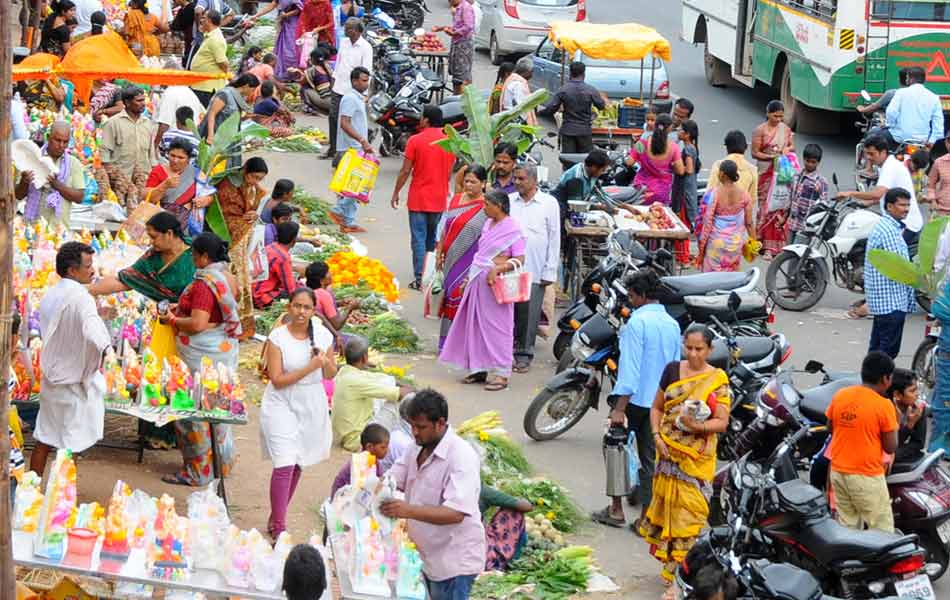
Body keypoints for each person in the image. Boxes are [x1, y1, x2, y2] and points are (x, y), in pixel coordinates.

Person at [639, 325, 731, 583]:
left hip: (695, 461)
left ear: (710, 350)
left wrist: (697, 426)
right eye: (688, 348)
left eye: (699, 349)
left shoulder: (717, 379)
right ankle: (673, 574)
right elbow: (656, 408)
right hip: (667, 456)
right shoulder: (671, 370)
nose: (692, 354)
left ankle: (680, 579)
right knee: (669, 514)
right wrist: (656, 436)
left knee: (689, 519)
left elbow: (722, 422)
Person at [591, 271, 680, 529]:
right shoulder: (672, 325)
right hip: (660, 402)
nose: (630, 301)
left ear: (641, 295)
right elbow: (674, 368)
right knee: (651, 458)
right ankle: (647, 518)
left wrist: (619, 408)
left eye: (631, 296)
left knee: (615, 449)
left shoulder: (636, 324)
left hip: (635, 401)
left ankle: (616, 509)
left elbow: (629, 370)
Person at [380, 390, 485, 600]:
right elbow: (393, 478)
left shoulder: (461, 458)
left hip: (453, 563)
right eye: (412, 425)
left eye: (421, 427)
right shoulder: (416, 447)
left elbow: (455, 513)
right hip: (426, 556)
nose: (415, 432)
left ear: (440, 423)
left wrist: (407, 510)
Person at [159, 232, 241, 486]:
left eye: (194, 255)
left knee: (192, 412)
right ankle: (220, 464)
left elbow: (198, 323)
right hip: (222, 353)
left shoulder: (205, 283)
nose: (192, 259)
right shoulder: (227, 276)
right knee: (216, 411)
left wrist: (173, 320)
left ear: (205, 257)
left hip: (201, 355)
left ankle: (198, 472)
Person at [261, 287, 337, 539]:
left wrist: (325, 364)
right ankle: (280, 528)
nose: (301, 312)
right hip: (280, 403)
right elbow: (278, 379)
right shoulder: (277, 338)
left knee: (297, 463)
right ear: (288, 307)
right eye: (297, 306)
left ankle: (276, 515)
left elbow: (331, 374)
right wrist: (310, 366)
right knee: (284, 462)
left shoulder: (324, 336)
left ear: (313, 310)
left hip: (310, 403)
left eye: (306, 307)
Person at [30, 242, 111, 476]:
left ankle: (31, 492)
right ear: (72, 271)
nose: (92, 270)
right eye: (87, 266)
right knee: (70, 446)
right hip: (73, 383)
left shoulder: (50, 294)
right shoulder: (81, 297)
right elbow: (91, 324)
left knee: (44, 437)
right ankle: (60, 500)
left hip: (52, 378)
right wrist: (107, 349)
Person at [439, 190, 525, 391]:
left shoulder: (513, 228)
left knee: (499, 328)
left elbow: (520, 258)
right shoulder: (487, 224)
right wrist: (468, 278)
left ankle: (502, 374)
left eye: (488, 204)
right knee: (474, 324)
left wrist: (499, 268)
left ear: (500, 206)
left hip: (497, 285)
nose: (484, 208)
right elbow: (481, 254)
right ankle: (479, 368)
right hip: (477, 280)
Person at [826, 351, 898, 532]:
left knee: (848, 528)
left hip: (838, 472)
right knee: (883, 530)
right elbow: (890, 447)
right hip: (866, 476)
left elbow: (830, 427)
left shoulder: (841, 395)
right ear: (885, 379)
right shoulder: (884, 405)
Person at [391, 106, 457, 289]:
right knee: (432, 239)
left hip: (419, 198)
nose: (419, 120)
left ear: (426, 120)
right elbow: (450, 172)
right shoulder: (450, 142)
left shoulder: (415, 140)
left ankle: (420, 278)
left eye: (421, 117)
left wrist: (396, 192)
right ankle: (430, 274)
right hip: (439, 198)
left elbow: (405, 170)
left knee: (418, 238)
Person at [509, 164, 560, 374]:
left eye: (521, 179)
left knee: (529, 314)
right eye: (516, 179)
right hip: (510, 267)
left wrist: (550, 271)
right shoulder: (510, 201)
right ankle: (506, 350)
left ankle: (524, 353)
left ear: (533, 181)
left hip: (536, 268)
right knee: (509, 311)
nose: (517, 182)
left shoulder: (549, 203)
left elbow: (554, 238)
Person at [435, 165, 488, 350]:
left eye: (473, 181)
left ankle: (460, 345)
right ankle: (445, 343)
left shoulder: (486, 207)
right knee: (449, 296)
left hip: (470, 262)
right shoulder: (456, 200)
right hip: (450, 259)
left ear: (483, 183)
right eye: (466, 181)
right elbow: (445, 227)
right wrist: (439, 251)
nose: (469, 185)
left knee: (462, 299)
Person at [89, 211, 195, 303]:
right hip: (166, 314)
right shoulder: (152, 257)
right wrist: (88, 291)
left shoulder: (196, 251)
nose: (150, 242)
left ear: (169, 233)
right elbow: (125, 279)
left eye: (154, 237)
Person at [215, 156, 269, 336]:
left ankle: (242, 322)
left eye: (259, 179)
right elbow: (225, 213)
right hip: (229, 234)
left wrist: (254, 214)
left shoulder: (252, 188)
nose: (255, 182)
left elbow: (258, 199)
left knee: (242, 278)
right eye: (253, 177)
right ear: (245, 171)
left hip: (243, 240)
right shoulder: (228, 185)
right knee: (232, 277)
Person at [333, 337, 412, 451]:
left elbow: (382, 378)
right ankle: (405, 438)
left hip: (345, 436)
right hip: (358, 441)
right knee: (398, 400)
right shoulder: (356, 380)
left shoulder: (344, 372)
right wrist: (415, 391)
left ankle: (398, 433)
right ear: (365, 357)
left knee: (386, 384)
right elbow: (400, 393)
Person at [865, 188, 915, 359]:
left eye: (908, 205)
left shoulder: (888, 227)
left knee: (877, 351)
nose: (906, 209)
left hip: (884, 303)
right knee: (886, 355)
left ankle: (868, 383)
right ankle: (876, 384)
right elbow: (902, 269)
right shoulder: (888, 231)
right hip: (891, 302)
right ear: (889, 206)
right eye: (902, 205)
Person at [839, 135, 923, 238]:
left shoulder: (890, 167)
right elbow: (886, 192)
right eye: (866, 154)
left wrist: (849, 193)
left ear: (883, 152)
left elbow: (877, 194)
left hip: (906, 224)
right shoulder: (884, 166)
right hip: (894, 220)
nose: (868, 158)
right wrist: (867, 203)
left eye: (871, 154)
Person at [14, 121, 87, 227]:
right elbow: (18, 195)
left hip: (59, 230)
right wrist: (24, 182)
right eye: (57, 140)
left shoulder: (73, 163)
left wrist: (57, 185)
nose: (61, 145)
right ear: (48, 137)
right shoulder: (31, 158)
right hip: (33, 227)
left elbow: (79, 197)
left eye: (65, 142)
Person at [328, 66, 372, 232]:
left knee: (355, 184)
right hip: (352, 148)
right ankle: (337, 210)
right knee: (355, 185)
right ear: (354, 81)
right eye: (363, 80)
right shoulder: (349, 99)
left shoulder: (358, 98)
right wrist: (362, 140)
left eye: (367, 80)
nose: (366, 84)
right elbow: (344, 123)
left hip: (357, 146)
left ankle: (348, 222)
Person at [751, 100, 797, 257]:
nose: (778, 119)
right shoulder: (760, 130)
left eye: (781, 116)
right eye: (775, 116)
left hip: (781, 173)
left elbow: (792, 146)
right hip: (766, 171)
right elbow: (754, 152)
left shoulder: (785, 129)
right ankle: (763, 243)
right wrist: (771, 156)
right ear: (768, 113)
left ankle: (778, 245)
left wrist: (785, 150)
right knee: (766, 207)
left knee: (780, 205)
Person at [99, 86, 158, 206]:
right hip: (120, 183)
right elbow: (104, 155)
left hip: (142, 181)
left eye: (143, 100)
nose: (143, 104)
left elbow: (151, 154)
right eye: (139, 101)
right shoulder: (113, 123)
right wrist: (111, 181)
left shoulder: (148, 124)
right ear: (127, 102)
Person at [539, 61, 607, 165]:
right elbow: (601, 106)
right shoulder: (591, 90)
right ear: (584, 74)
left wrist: (540, 113)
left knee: (568, 161)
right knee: (587, 162)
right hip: (584, 131)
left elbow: (551, 109)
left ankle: (569, 180)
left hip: (568, 131)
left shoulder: (563, 90)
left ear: (570, 73)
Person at [326, 17, 373, 158]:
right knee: (333, 118)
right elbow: (339, 62)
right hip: (339, 87)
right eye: (346, 27)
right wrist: (333, 81)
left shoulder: (366, 47)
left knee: (350, 122)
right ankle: (333, 149)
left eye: (350, 28)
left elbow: (366, 70)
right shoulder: (344, 42)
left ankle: (354, 148)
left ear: (358, 31)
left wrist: (364, 93)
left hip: (353, 91)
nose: (346, 30)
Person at [144, 138, 212, 233]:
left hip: (186, 225)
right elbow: (148, 199)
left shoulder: (197, 174)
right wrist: (164, 185)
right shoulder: (158, 171)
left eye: (181, 157)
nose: (175, 160)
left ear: (188, 159)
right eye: (172, 155)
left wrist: (205, 200)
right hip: (160, 223)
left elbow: (209, 195)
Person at [625, 113, 685, 206]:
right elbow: (680, 171)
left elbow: (629, 162)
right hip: (660, 192)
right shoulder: (674, 147)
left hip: (641, 190)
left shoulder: (642, 143)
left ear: (655, 125)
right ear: (669, 128)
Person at [885, 66, 944, 147]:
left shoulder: (901, 93)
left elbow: (891, 112)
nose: (906, 80)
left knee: (874, 134)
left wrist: (889, 125)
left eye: (907, 78)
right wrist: (932, 141)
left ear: (911, 79)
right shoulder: (934, 97)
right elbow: (939, 124)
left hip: (899, 138)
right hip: (922, 141)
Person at [479, 484, 533, 571]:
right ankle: (506, 556)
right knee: (514, 511)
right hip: (477, 549)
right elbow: (526, 507)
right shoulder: (480, 489)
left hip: (457, 546)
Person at [330, 423, 389, 498]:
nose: (387, 450)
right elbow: (359, 490)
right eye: (383, 447)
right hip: (341, 499)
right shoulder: (360, 462)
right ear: (369, 447)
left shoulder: (375, 462)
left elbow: (380, 480)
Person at [248, 0, 303, 81]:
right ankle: (285, 74)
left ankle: (297, 74)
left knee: (293, 49)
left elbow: (299, 9)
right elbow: (272, 5)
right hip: (284, 22)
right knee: (283, 49)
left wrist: (286, 15)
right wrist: (256, 15)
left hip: (294, 23)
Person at [201, 73, 259, 144]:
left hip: (229, 136)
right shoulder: (225, 94)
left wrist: (245, 117)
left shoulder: (241, 97)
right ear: (246, 86)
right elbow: (212, 114)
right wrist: (210, 135)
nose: (253, 93)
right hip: (217, 134)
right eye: (253, 90)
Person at [787, 143, 829, 242]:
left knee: (799, 252)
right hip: (792, 222)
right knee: (788, 250)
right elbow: (791, 198)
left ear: (818, 162)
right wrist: (784, 216)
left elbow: (823, 204)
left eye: (813, 162)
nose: (810, 164)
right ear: (803, 159)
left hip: (806, 226)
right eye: (807, 161)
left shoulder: (820, 181)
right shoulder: (796, 176)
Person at [253, 221, 300, 308]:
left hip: (253, 292)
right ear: (294, 240)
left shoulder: (271, 246)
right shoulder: (283, 257)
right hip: (262, 297)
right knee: (301, 293)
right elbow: (290, 289)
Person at [708, 130, 764, 202]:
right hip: (740, 211)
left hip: (720, 209)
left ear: (727, 147)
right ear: (745, 147)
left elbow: (710, 193)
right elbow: (752, 199)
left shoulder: (718, 165)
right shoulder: (752, 170)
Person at [433, 0, 475, 95]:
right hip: (457, 43)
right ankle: (456, 96)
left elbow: (468, 26)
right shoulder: (458, 8)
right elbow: (458, 26)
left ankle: (464, 97)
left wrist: (454, 33)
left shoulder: (466, 7)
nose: (449, 2)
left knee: (463, 74)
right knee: (456, 73)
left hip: (463, 45)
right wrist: (441, 28)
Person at [189, 10, 230, 107]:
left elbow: (223, 63)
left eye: (203, 18)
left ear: (209, 21)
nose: (201, 20)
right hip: (202, 86)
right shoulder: (210, 36)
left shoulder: (215, 39)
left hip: (207, 88)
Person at [305, 261, 357, 334]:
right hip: (325, 335)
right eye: (328, 272)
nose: (331, 274)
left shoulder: (308, 290)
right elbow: (337, 325)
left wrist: (340, 303)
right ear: (321, 280)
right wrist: (350, 308)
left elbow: (321, 306)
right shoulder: (324, 295)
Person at [889, 368, 926, 464]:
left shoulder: (919, 407)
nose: (917, 394)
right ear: (897, 394)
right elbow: (891, 445)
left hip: (896, 452)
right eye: (912, 391)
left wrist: (895, 455)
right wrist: (910, 424)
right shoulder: (887, 409)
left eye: (917, 389)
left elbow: (918, 443)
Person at [155, 85, 205, 153]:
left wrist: (154, 147)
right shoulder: (190, 93)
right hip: (191, 141)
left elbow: (164, 124)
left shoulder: (170, 93)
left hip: (173, 144)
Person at [673, 119, 701, 228]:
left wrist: (676, 166)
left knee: (683, 221)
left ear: (687, 134)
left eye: (681, 130)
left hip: (685, 189)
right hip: (687, 187)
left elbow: (689, 169)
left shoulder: (688, 149)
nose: (678, 132)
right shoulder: (692, 147)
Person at [289, 47, 333, 115]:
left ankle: (308, 108)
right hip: (334, 100)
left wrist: (297, 72)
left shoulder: (312, 70)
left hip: (326, 102)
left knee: (304, 89)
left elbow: (302, 82)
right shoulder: (328, 67)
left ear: (313, 59)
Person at [500, 56, 536, 125]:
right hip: (516, 122)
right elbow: (521, 107)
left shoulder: (512, 79)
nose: (532, 75)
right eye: (531, 72)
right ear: (526, 72)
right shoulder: (518, 85)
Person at [928, 137, 950, 218]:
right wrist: (933, 201)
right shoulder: (939, 162)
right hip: (941, 212)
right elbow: (931, 185)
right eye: (949, 141)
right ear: (946, 143)